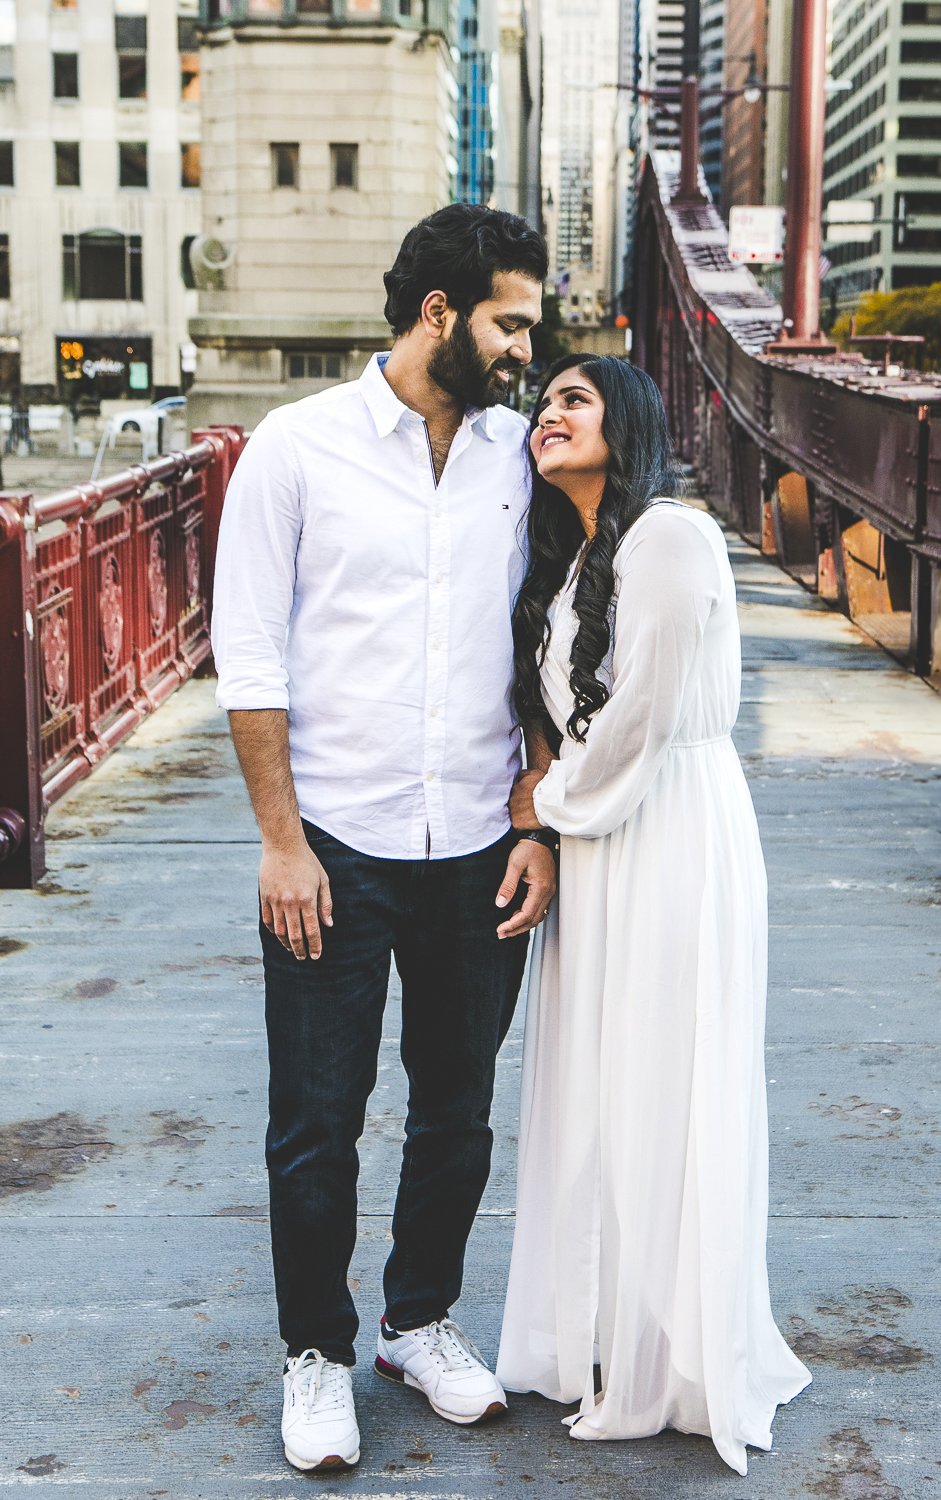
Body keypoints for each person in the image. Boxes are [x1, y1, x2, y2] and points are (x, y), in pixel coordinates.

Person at [211, 204, 557, 1474]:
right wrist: (280, 841)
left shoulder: (524, 456)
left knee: (458, 1108)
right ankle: (316, 1354)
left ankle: (418, 1322)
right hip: (336, 842)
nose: (525, 347)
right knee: (316, 1114)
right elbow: (247, 656)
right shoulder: (293, 448)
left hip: (476, 839)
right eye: (510, 322)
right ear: (437, 316)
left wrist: (536, 817)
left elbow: (559, 648)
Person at [495, 355, 811, 1475]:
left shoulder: (668, 534)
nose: (549, 415)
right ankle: (592, 1334)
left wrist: (551, 806)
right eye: (540, 404)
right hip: (599, 840)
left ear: (624, 423)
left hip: (668, 827)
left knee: (667, 1077)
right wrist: (556, 815)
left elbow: (647, 713)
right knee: (594, 1082)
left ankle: (669, 1358)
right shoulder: (574, 558)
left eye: (572, 399)